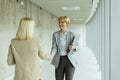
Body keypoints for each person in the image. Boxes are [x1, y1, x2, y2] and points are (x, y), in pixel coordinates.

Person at [50, 16, 80, 80]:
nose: (60, 24)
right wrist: (51, 55)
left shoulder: (72, 34)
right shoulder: (55, 34)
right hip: (59, 60)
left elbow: (78, 47)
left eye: (62, 22)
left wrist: (74, 47)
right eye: (59, 22)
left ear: (67, 23)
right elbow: (54, 47)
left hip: (69, 60)